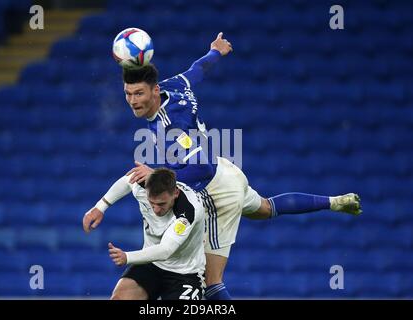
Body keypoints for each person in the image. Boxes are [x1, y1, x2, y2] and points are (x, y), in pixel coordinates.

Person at [88, 32, 362, 300]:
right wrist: (215, 51)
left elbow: (203, 168)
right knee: (266, 208)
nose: (133, 101)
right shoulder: (174, 86)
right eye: (128, 93)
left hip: (215, 191)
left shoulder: (171, 127)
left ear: (154, 90)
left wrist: (159, 174)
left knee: (210, 281)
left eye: (139, 93)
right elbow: (196, 71)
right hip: (227, 170)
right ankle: (335, 202)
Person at [83, 168, 205, 300]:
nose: (156, 210)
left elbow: (166, 250)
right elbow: (126, 181)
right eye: (152, 203)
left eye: (161, 204)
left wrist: (127, 257)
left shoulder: (188, 210)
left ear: (175, 193)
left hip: (185, 273)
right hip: (151, 264)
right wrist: (100, 207)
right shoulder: (143, 185)